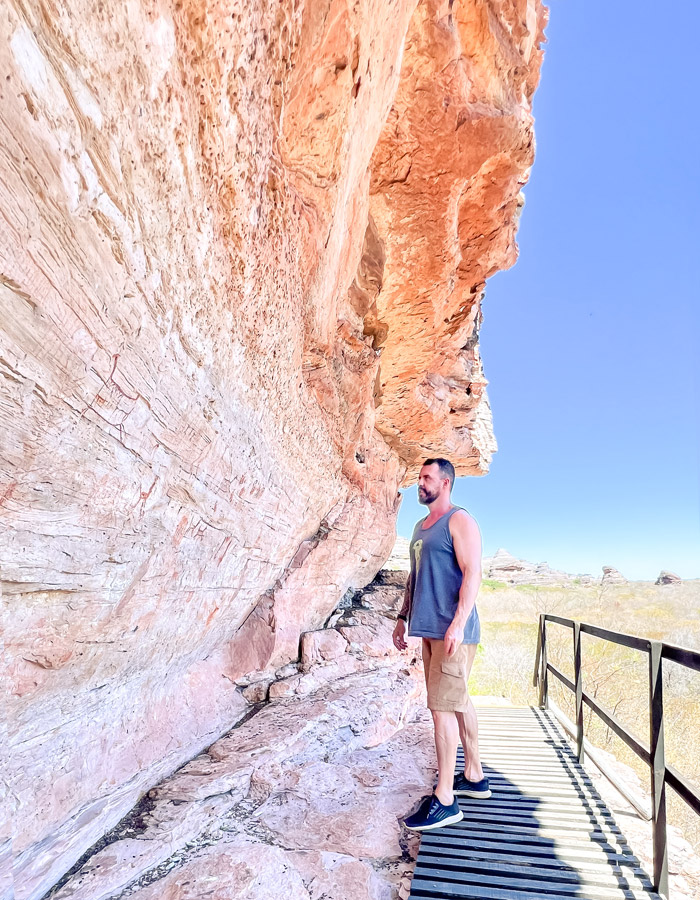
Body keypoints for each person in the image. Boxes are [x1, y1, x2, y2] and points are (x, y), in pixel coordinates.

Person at [393, 457, 490, 832]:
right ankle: (475, 775)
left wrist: (458, 624)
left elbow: (473, 573)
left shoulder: (459, 520)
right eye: (420, 478)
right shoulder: (420, 527)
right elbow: (414, 579)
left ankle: (446, 799)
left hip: (453, 632)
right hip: (428, 629)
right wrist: (402, 618)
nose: (420, 483)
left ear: (445, 483)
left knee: (441, 709)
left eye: (427, 478)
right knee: (457, 700)